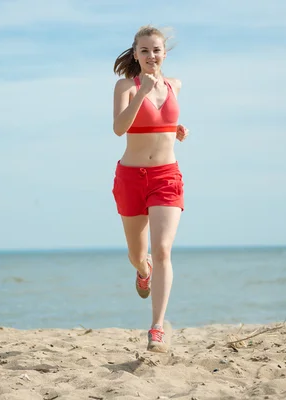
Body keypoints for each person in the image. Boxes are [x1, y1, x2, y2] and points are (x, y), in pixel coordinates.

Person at [111, 25, 189, 353]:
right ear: (135, 55)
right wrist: (142, 93)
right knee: (137, 255)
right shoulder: (126, 86)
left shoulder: (175, 85)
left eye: (156, 50)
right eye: (144, 51)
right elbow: (118, 128)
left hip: (166, 177)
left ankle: (156, 327)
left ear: (164, 53)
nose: (151, 56)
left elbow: (163, 123)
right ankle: (143, 272)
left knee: (163, 249)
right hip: (131, 177)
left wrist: (177, 130)